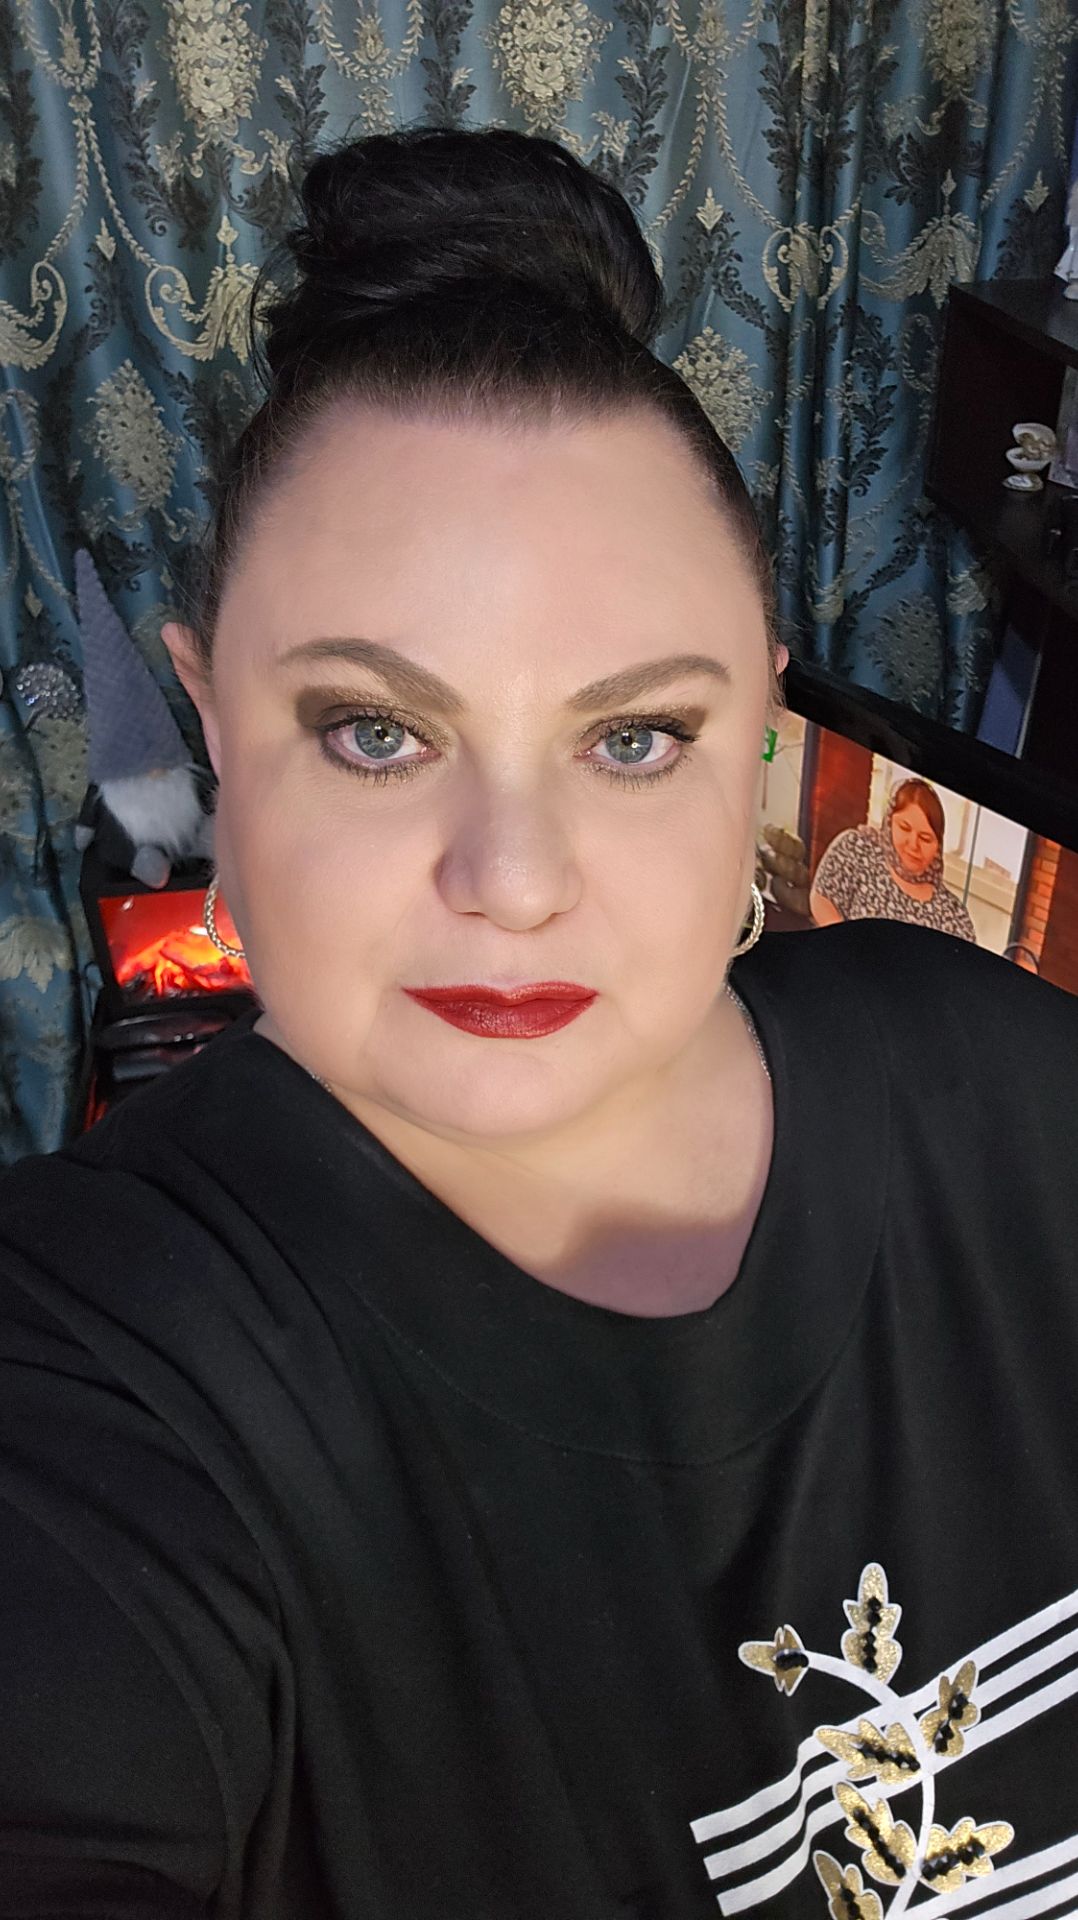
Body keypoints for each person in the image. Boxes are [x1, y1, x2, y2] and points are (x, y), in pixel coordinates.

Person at [2, 126, 1078, 1920]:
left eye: (632, 737)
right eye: (373, 732)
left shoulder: (1000, 1078)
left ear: (756, 739)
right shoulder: (101, 1370)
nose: (509, 882)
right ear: (211, 726)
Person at [810, 776, 977, 940]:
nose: (913, 844)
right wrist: (847, 946)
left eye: (925, 838)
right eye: (904, 828)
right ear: (889, 822)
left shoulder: (954, 914)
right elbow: (822, 898)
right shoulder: (857, 850)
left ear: (938, 847)